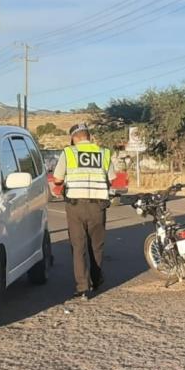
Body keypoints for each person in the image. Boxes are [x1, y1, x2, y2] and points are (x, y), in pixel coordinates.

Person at [53, 123, 116, 300]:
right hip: (98, 205)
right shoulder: (103, 153)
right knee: (96, 246)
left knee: (78, 245)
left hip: (75, 206)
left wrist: (62, 182)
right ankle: (96, 280)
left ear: (74, 138)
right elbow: (111, 178)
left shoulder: (68, 153)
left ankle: (82, 287)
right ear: (89, 136)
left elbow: (57, 179)